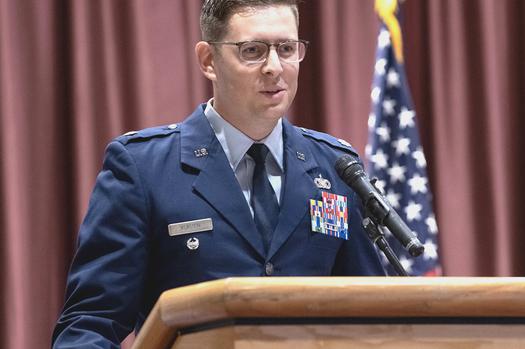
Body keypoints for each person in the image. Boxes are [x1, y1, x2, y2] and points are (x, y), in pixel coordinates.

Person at [52, 0, 386, 347]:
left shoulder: (336, 168)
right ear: (208, 60)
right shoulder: (143, 168)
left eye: (287, 48)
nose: (274, 67)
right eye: (253, 51)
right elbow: (90, 324)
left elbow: (370, 316)